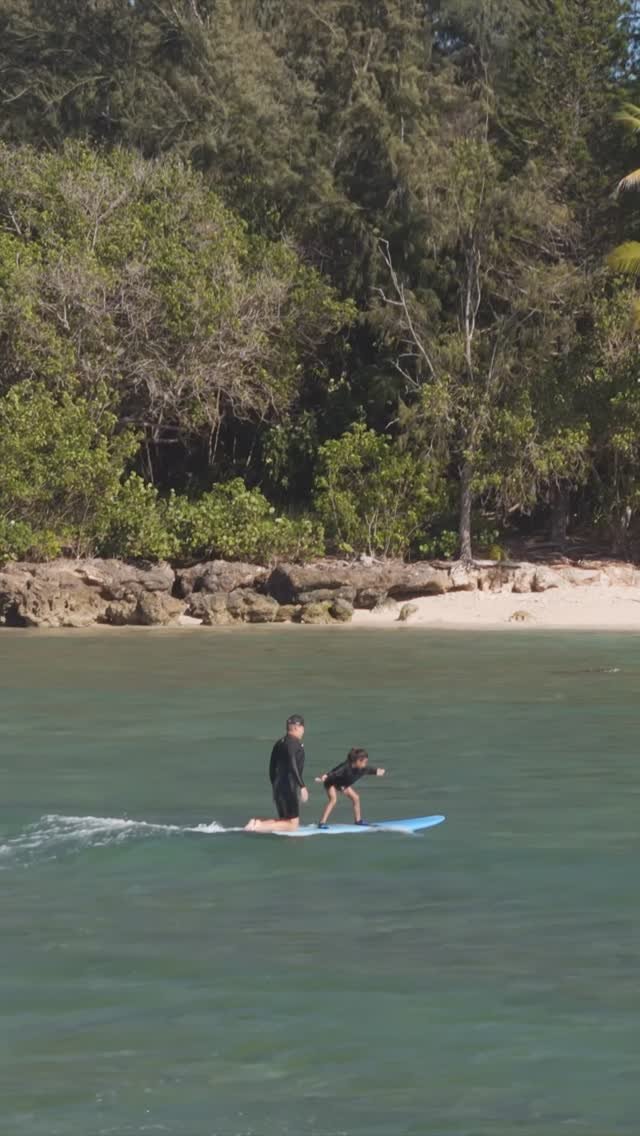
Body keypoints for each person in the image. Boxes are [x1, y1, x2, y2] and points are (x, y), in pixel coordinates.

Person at [244, 714, 309, 832]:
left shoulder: (279, 743)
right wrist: (302, 786)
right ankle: (258, 826)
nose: (303, 730)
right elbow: (292, 763)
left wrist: (275, 786)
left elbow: (271, 767)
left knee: (285, 821)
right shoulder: (293, 744)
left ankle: (256, 822)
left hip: (279, 785)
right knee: (292, 825)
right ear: (296, 727)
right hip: (289, 787)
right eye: (302, 728)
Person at [315, 748, 386, 828]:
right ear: (358, 761)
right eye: (365, 762)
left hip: (343, 785)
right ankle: (322, 823)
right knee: (333, 800)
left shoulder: (363, 769)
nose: (366, 764)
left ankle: (358, 821)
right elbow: (334, 772)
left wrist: (379, 771)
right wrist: (325, 777)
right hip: (331, 782)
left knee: (356, 798)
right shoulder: (345, 767)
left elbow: (372, 770)